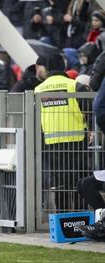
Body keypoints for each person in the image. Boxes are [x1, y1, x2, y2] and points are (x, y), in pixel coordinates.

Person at [34, 53, 88, 211]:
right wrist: (90, 127)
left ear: (48, 68)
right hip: (77, 142)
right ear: (63, 67)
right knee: (80, 181)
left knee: (60, 184)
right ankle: (81, 217)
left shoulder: (38, 89)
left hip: (53, 144)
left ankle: (63, 218)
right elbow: (89, 108)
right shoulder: (74, 85)